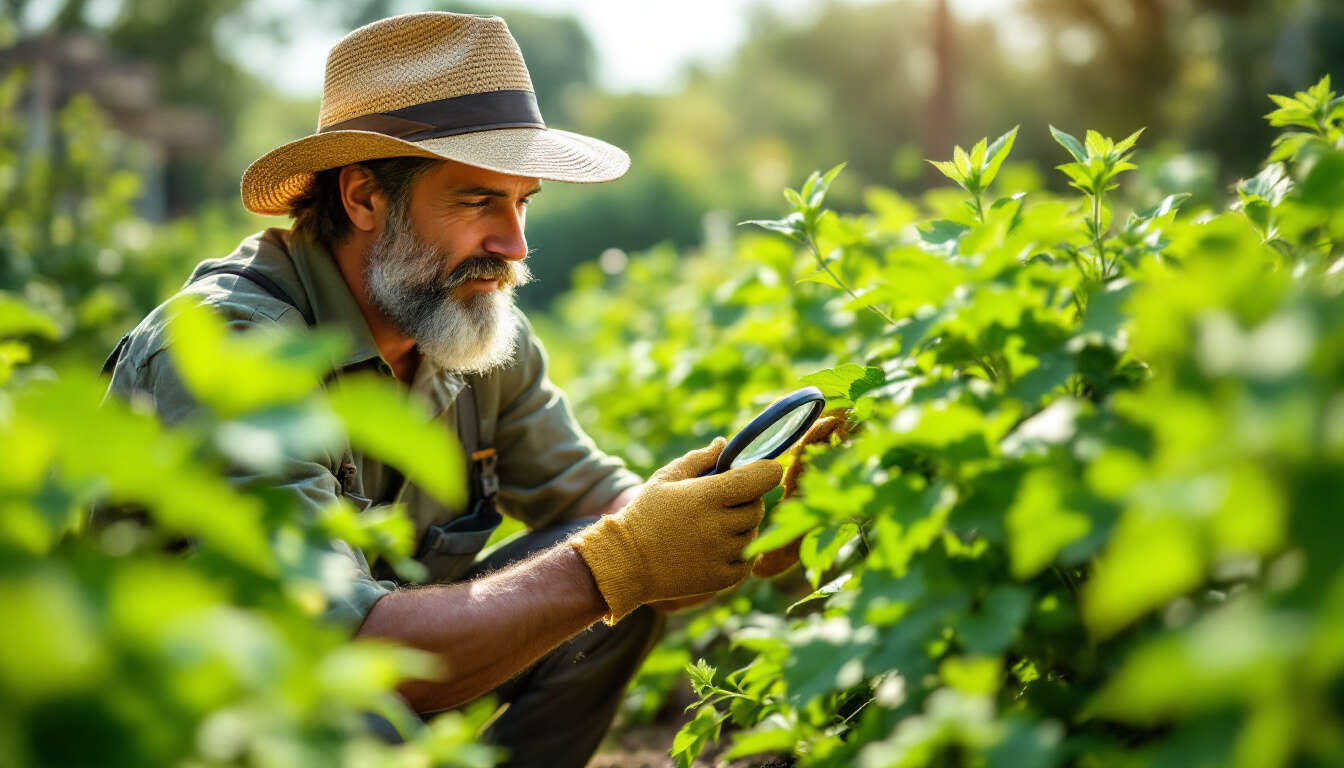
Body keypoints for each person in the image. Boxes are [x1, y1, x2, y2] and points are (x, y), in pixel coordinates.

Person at [102, 12, 791, 767]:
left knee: (608, 598)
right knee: (364, 711)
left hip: (361, 699)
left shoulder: (471, 330)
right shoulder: (235, 349)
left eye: (522, 202)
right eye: (477, 202)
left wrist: (742, 507)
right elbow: (340, 642)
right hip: (191, 723)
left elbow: (602, 510)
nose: (515, 245)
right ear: (364, 197)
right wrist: (622, 558)